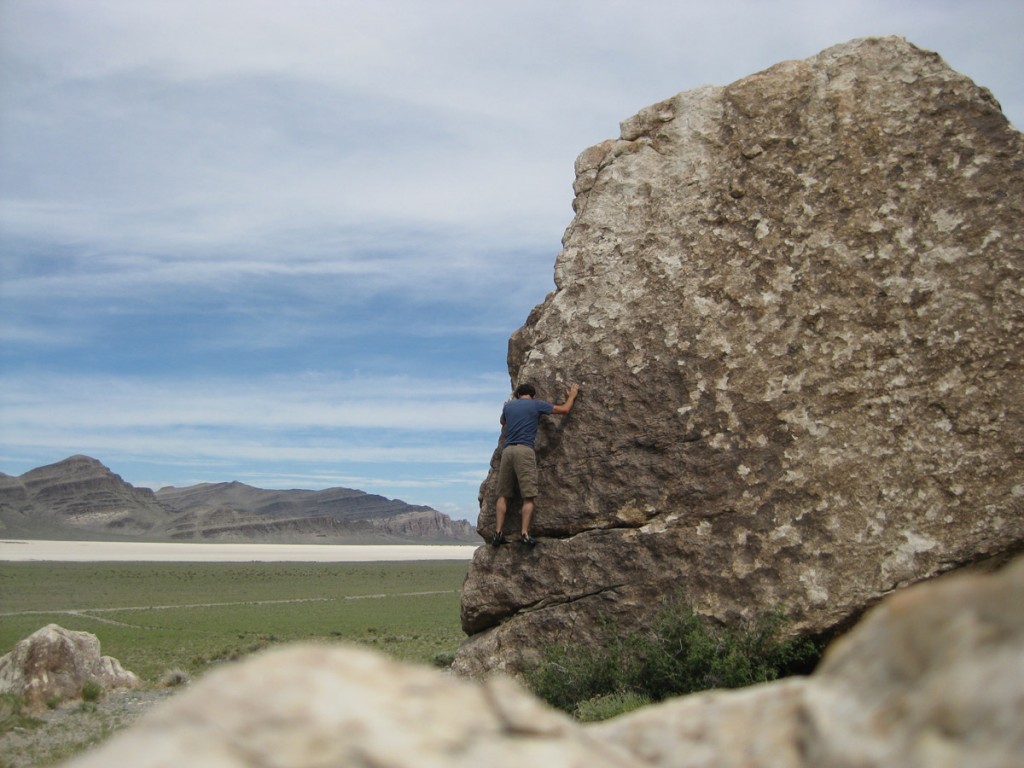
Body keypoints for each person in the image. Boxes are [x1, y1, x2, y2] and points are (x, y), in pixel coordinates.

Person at [493, 382, 580, 547]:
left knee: (503, 494)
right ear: (533, 395)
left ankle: (498, 533)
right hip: (524, 450)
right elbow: (564, 410)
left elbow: (502, 421)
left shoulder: (509, 406)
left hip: (507, 451)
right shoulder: (536, 404)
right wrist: (572, 395)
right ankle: (524, 533)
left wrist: (507, 407)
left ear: (518, 395)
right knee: (528, 495)